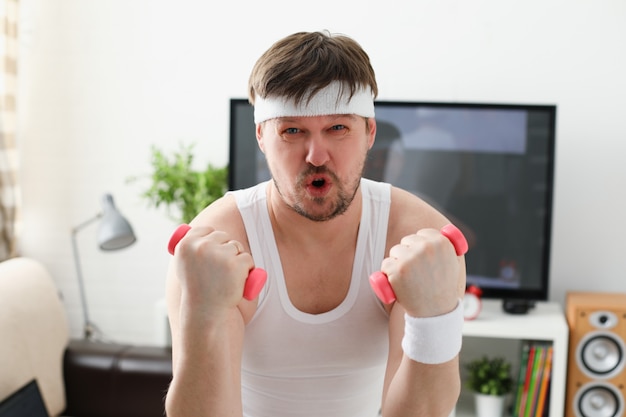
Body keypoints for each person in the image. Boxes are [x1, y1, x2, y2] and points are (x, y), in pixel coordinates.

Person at [164, 30, 466, 417]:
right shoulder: (219, 242)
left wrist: (435, 315)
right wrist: (203, 312)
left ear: (370, 133)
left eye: (338, 128)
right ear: (261, 136)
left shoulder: (416, 239)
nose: (317, 156)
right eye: (292, 131)